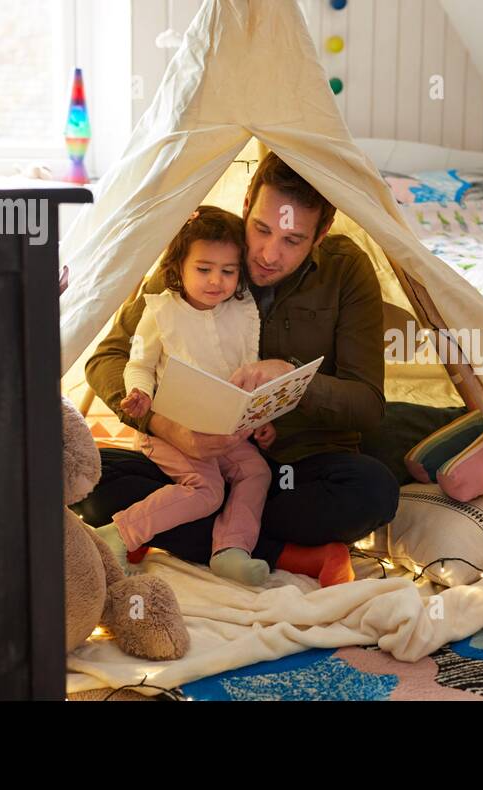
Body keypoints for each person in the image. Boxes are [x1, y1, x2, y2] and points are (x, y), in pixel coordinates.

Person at [78, 151, 399, 587]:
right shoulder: (206, 251)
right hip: (194, 463)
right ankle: (282, 553)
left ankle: (197, 532)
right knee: (91, 477)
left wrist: (291, 378)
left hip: (292, 472)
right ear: (247, 202)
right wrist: (164, 426)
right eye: (262, 230)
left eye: (293, 240)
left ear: (321, 233)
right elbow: (108, 358)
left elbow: (366, 405)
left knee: (372, 491)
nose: (268, 255)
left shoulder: (347, 270)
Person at [92, 206, 273, 585]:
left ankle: (230, 550)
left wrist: (261, 417)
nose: (216, 281)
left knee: (257, 471)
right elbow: (138, 363)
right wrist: (138, 394)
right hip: (170, 429)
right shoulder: (161, 311)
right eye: (203, 269)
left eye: (228, 271)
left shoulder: (241, 310)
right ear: (178, 266)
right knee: (208, 491)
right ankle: (118, 535)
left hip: (224, 428)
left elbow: (249, 371)